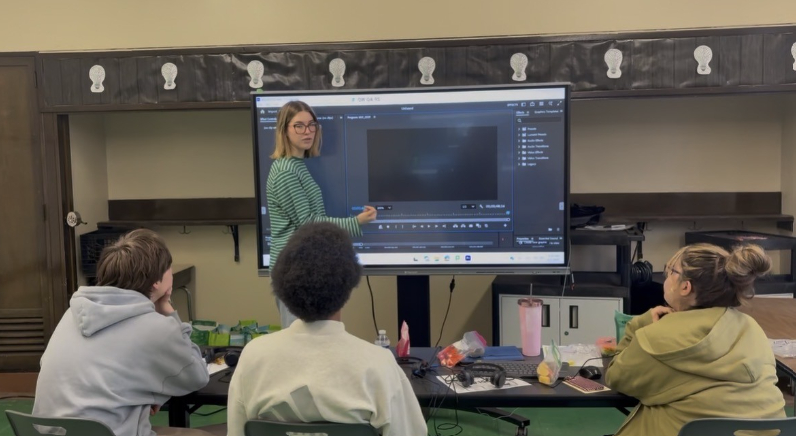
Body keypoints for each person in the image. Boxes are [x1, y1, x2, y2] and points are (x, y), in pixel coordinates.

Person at [226, 222, 427, 436]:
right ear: (348, 284)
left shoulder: (253, 357)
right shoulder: (378, 364)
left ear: (283, 286)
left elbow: (237, 432)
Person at [33, 229, 223, 436]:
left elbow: (103, 377)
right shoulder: (155, 327)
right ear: (157, 281)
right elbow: (196, 375)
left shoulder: (72, 314)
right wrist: (168, 312)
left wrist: (150, 395)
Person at [605, 243, 786, 436]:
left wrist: (639, 325)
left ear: (685, 287)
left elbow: (617, 377)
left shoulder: (657, 336)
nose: (665, 277)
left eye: (671, 271)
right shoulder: (751, 328)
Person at [267, 100, 377, 329]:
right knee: (300, 344)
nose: (307, 131)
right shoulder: (287, 171)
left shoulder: (295, 165)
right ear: (284, 130)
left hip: (301, 266)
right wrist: (356, 222)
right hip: (293, 270)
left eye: (311, 125)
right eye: (298, 126)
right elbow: (308, 224)